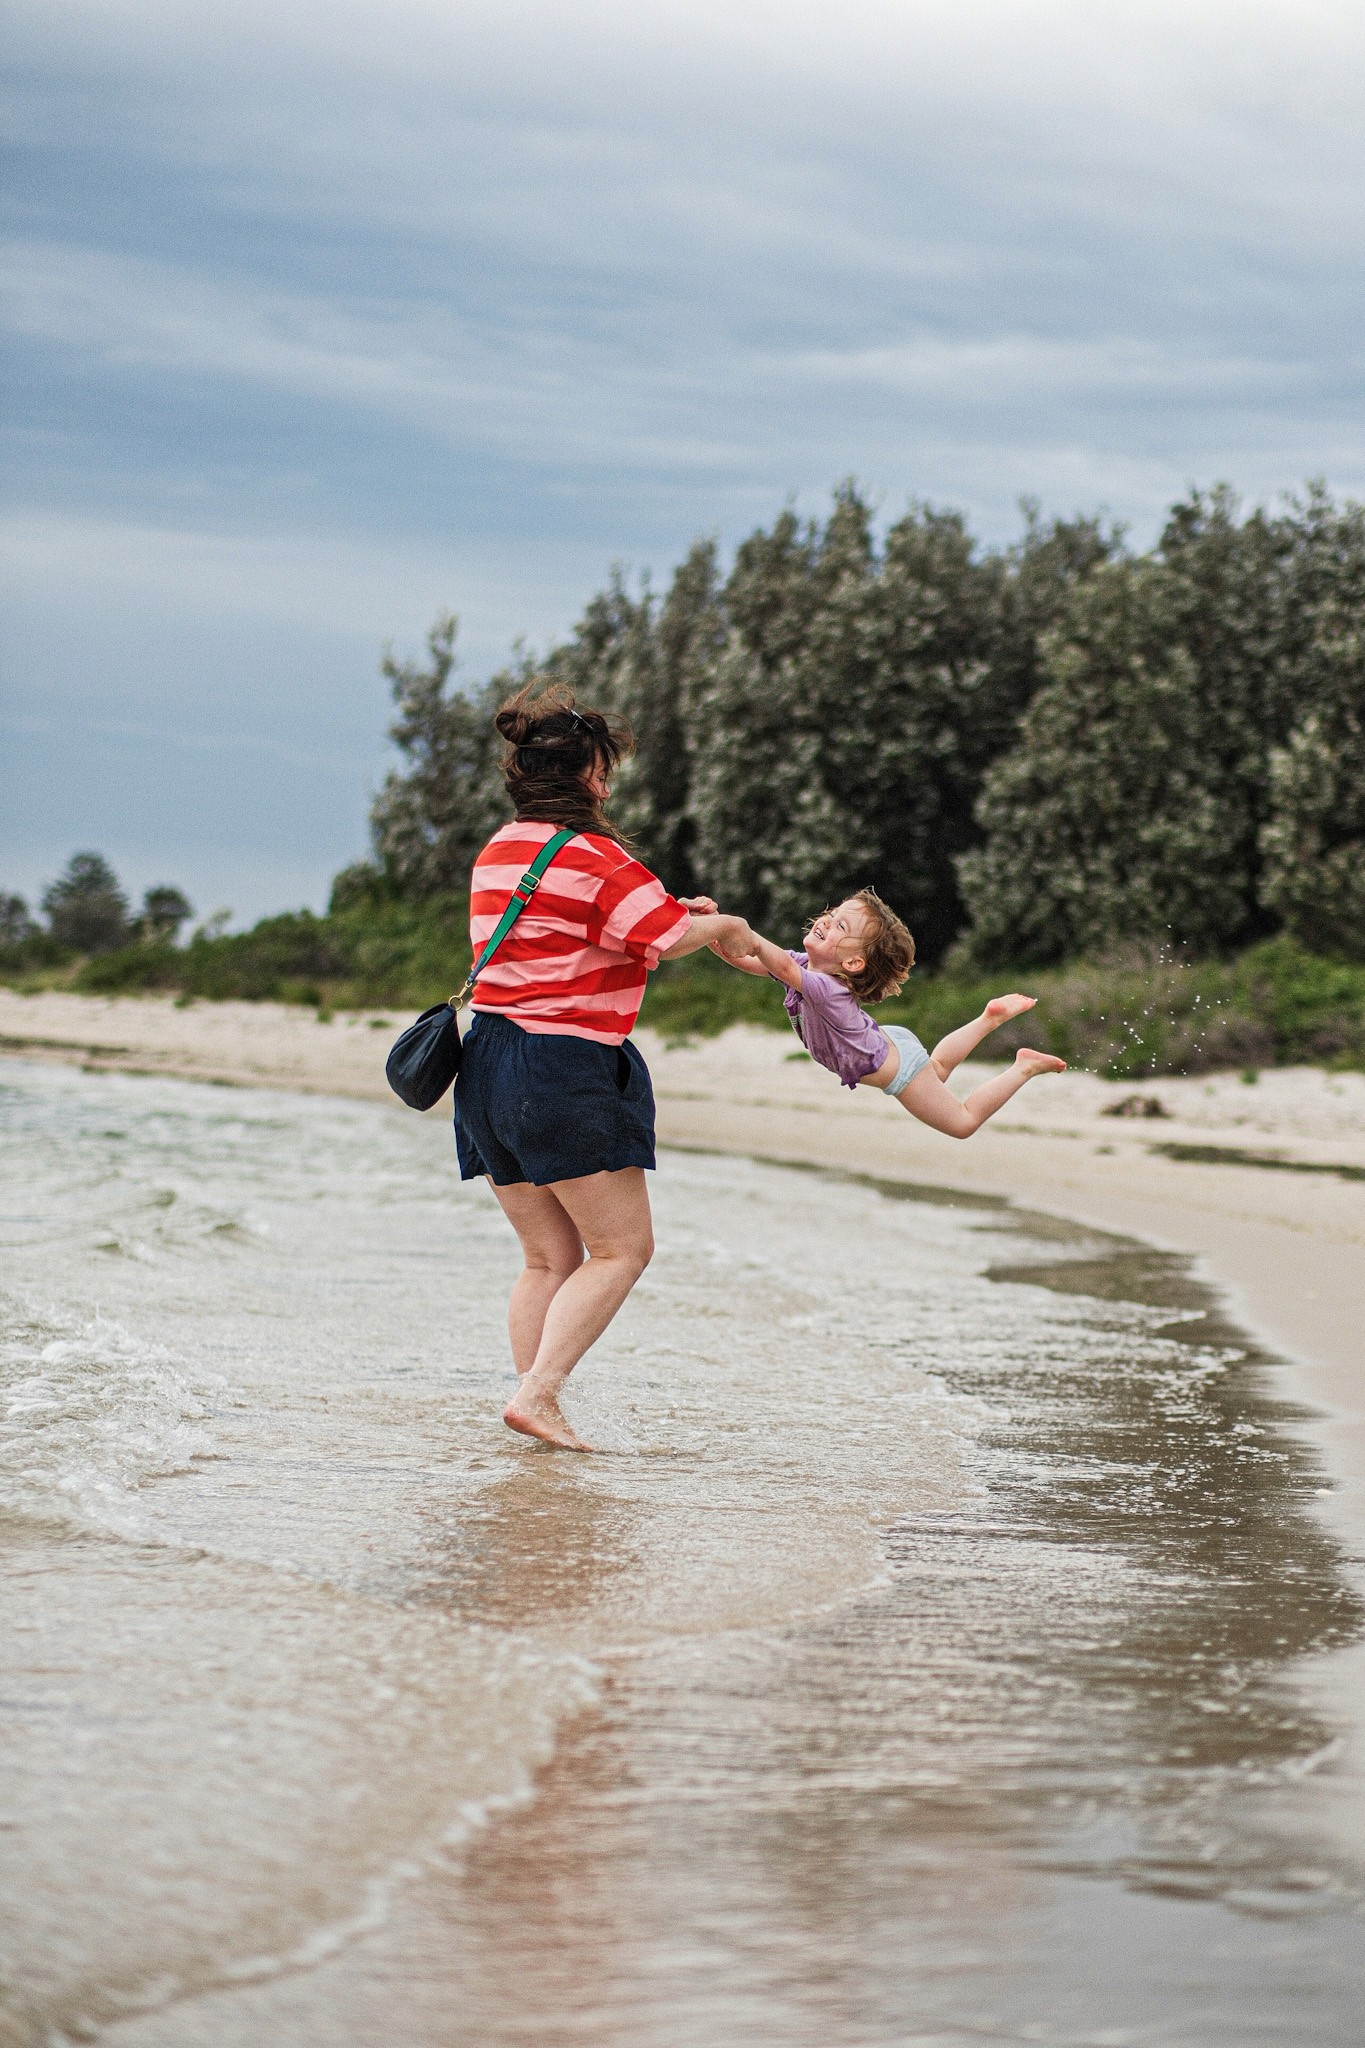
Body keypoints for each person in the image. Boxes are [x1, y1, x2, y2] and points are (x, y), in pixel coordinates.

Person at [455, 685, 752, 1453]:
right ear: (588, 775)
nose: (608, 785)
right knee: (622, 1250)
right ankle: (540, 1395)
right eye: (604, 770)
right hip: (561, 1065)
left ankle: (532, 1403)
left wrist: (672, 917)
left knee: (546, 1257)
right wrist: (720, 921)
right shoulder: (596, 856)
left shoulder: (499, 850)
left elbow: (576, 935)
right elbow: (662, 935)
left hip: (485, 1063)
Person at [712, 887, 1067, 1136]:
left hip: (896, 1066)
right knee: (938, 1069)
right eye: (833, 915)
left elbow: (763, 954)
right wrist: (710, 931)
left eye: (840, 926)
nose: (825, 921)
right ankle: (988, 1019)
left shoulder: (826, 989)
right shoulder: (808, 968)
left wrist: (747, 934)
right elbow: (748, 958)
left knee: (963, 1122)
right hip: (887, 1044)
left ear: (852, 962)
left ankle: (1023, 1066)